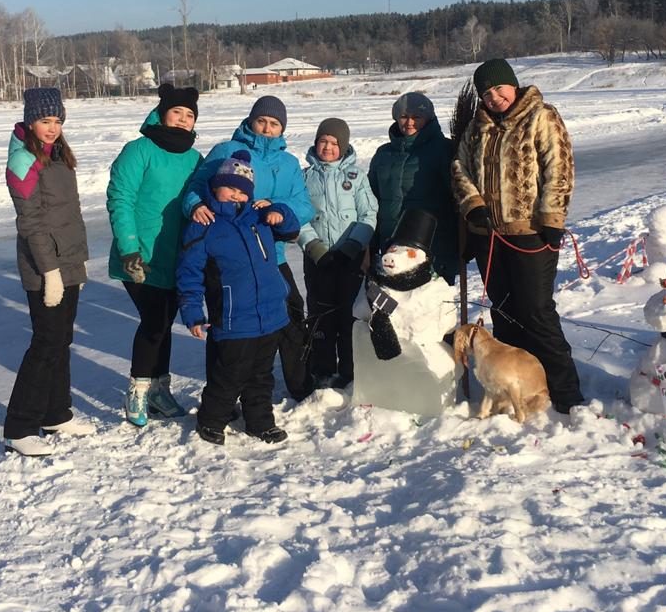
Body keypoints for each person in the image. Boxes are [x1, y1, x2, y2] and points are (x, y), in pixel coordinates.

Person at [451, 58, 584, 414]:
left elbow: (559, 166)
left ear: (513, 85)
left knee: (536, 311)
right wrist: (473, 204)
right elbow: (459, 167)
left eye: (499, 89)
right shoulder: (476, 127)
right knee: (505, 312)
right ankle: (514, 386)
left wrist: (552, 217)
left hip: (530, 234)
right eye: (487, 93)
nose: (494, 98)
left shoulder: (541, 116)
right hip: (488, 236)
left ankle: (566, 393)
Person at [182, 96, 315, 401]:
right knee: (224, 327)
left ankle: (301, 386)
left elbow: (304, 206)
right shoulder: (225, 150)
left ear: (282, 128)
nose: (267, 128)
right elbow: (195, 188)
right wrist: (195, 206)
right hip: (226, 260)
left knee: (292, 315)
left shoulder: (288, 163)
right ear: (251, 120)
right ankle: (223, 400)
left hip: (270, 257)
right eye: (262, 121)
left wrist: (277, 207)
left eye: (274, 124)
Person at [177, 151, 299, 445]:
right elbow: (189, 272)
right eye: (229, 187)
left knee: (262, 375)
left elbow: (291, 229)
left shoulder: (258, 216)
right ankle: (211, 419)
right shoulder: (204, 224)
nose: (235, 195)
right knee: (230, 374)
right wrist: (192, 313)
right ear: (215, 186)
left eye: (242, 191)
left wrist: (279, 211)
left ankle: (260, 422)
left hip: (271, 313)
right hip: (234, 317)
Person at [2, 87, 94, 457]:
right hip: (44, 267)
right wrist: (51, 271)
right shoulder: (23, 161)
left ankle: (56, 413)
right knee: (46, 343)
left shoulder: (58, 155)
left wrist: (78, 261)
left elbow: (70, 214)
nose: (52, 127)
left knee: (61, 340)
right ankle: (19, 427)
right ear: (30, 122)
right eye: (45, 120)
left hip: (67, 261)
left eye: (57, 120)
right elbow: (32, 224)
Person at [107, 82, 203, 427]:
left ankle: (160, 390)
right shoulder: (139, 150)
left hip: (177, 257)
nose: (183, 119)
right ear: (162, 114)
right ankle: (138, 389)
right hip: (141, 257)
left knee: (163, 323)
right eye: (177, 112)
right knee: (155, 322)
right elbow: (120, 198)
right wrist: (129, 248)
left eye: (189, 114)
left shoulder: (195, 159)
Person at [297, 117, 377, 388]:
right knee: (321, 315)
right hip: (317, 259)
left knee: (349, 315)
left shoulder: (356, 177)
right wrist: (314, 247)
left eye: (334, 143)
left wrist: (352, 247)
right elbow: (298, 216)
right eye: (323, 141)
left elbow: (369, 214)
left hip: (349, 259)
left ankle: (350, 370)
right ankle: (322, 369)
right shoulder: (304, 177)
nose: (328, 147)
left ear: (343, 146)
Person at [367, 91, 461, 285]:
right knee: (397, 301)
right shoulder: (383, 154)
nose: (409, 122)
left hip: (433, 245)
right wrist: (371, 244)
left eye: (416, 117)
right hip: (392, 244)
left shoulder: (444, 149)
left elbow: (458, 196)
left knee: (432, 299)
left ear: (428, 118)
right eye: (404, 116)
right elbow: (371, 200)